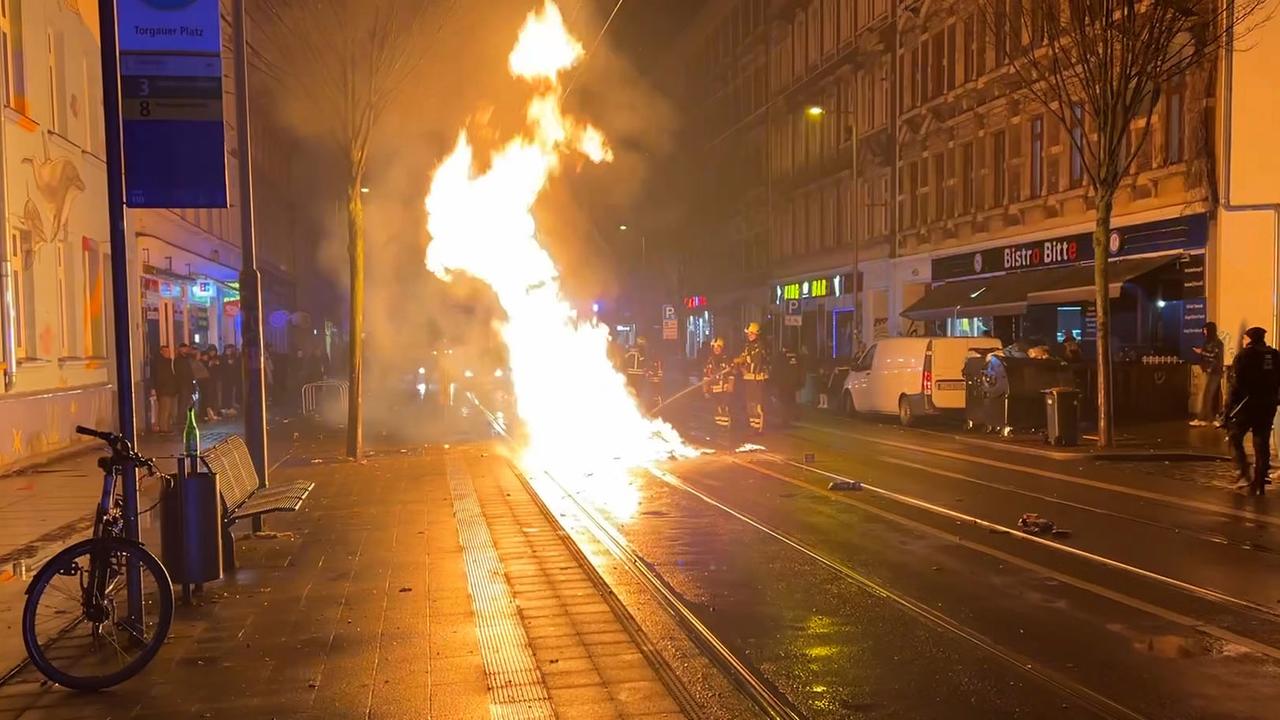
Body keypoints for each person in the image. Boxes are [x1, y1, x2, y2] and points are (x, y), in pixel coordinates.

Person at [1226, 326, 1280, 495]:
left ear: (1249, 339)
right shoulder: (1274, 354)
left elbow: (1236, 384)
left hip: (1248, 404)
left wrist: (1227, 409)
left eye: (1244, 338)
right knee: (1261, 441)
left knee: (1235, 436)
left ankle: (1243, 472)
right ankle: (1260, 480)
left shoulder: (1244, 355)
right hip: (1268, 404)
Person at [736, 322, 770, 434]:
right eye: (748, 333)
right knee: (750, 403)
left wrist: (743, 360)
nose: (749, 335)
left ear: (757, 334)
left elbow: (757, 360)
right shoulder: (747, 346)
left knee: (757, 404)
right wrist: (738, 364)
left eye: (752, 333)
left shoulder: (760, 346)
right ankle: (753, 426)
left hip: (758, 379)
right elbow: (743, 357)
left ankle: (759, 428)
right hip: (748, 379)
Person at [1192, 321, 1225, 426]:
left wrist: (1201, 352)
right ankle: (1207, 417)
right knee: (1208, 394)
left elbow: (1214, 356)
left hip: (1214, 371)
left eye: (1205, 330)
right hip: (1208, 370)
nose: (1204, 332)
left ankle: (1209, 417)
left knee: (1210, 394)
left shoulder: (1217, 343)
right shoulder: (1207, 342)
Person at [703, 337, 734, 430]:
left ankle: (725, 425)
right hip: (714, 388)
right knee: (716, 407)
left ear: (722, 348)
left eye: (718, 347)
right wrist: (705, 390)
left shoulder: (726, 359)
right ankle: (719, 425)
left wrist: (730, 385)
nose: (716, 349)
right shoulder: (710, 360)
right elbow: (706, 376)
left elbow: (731, 374)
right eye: (714, 347)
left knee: (724, 406)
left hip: (724, 388)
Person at [151, 346, 178, 433]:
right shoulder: (160, 363)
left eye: (168, 351)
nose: (168, 353)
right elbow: (159, 377)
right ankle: (163, 428)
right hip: (164, 389)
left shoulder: (168, 362)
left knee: (169, 409)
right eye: (165, 351)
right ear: (161, 352)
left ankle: (167, 427)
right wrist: (158, 388)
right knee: (164, 410)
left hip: (170, 389)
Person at [174, 343, 197, 411]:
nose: (186, 350)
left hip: (189, 384)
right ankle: (181, 419)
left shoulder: (188, 359)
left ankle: (187, 418)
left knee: (189, 402)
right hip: (183, 385)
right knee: (183, 403)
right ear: (180, 349)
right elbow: (180, 373)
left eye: (187, 348)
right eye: (184, 348)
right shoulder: (178, 360)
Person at [221, 344, 241, 415]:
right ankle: (225, 407)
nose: (229, 351)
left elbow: (236, 367)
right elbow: (223, 367)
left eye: (230, 350)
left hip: (231, 378)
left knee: (230, 392)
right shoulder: (223, 358)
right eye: (228, 349)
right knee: (225, 393)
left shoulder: (234, 357)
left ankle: (229, 406)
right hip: (225, 378)